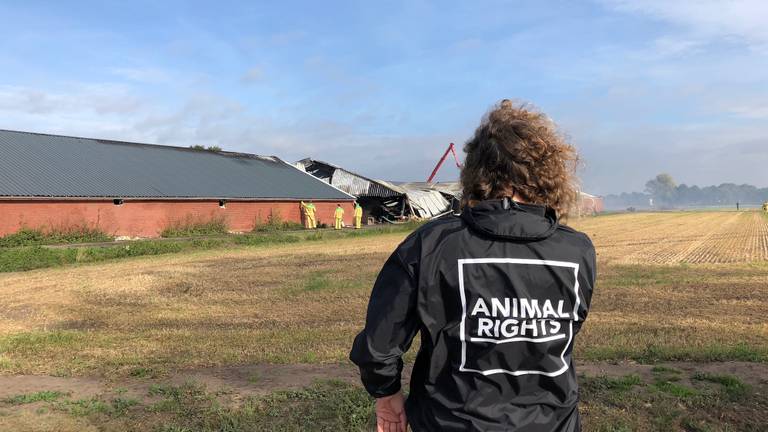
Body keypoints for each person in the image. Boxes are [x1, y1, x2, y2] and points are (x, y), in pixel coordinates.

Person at [350, 100, 596, 432]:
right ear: (546, 172)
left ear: (476, 169)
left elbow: (380, 344)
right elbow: (566, 329)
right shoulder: (576, 249)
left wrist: (386, 394)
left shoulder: (431, 244)